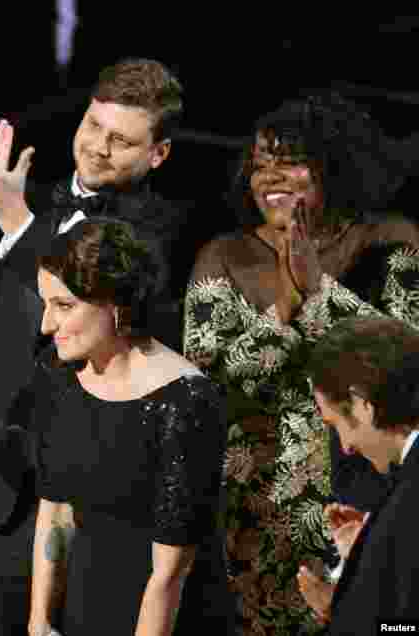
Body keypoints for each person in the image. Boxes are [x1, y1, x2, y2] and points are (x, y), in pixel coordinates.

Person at [0, 58, 188, 635]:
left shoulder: (163, 231)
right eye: (93, 126)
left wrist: (12, 218)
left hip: (84, 492)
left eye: (122, 140)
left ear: (157, 154)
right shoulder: (24, 199)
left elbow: (89, 301)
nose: (98, 148)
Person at [183, 93, 419, 634]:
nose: (270, 176)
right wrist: (285, 309)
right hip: (257, 504)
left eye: (288, 161)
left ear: (333, 164)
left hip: (362, 493)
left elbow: (406, 362)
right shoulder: (223, 255)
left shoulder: (391, 243)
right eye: (260, 163)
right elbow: (209, 376)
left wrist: (319, 290)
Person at [24, 218, 231, 635]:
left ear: (116, 304)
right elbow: (56, 512)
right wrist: (40, 622)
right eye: (46, 304)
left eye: (63, 306)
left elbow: (171, 572)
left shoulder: (185, 400)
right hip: (84, 599)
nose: (47, 325)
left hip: (161, 614)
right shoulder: (59, 374)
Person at [296, 317, 419, 634]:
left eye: (336, 425)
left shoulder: (409, 502)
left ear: (362, 403)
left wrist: (341, 611)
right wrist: (370, 554)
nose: (346, 447)